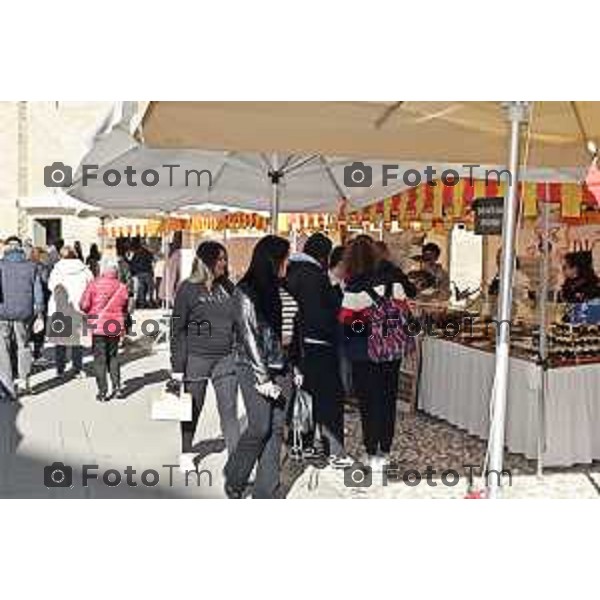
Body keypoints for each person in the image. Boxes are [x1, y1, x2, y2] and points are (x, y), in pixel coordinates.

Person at [224, 235, 299, 499]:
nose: (288, 263)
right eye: (285, 257)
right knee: (259, 427)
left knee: (277, 429)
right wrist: (262, 377)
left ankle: (266, 491)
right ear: (272, 259)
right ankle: (234, 475)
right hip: (254, 366)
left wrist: (296, 365)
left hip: (284, 365)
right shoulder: (245, 290)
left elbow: (295, 327)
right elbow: (248, 335)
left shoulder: (286, 286)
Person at [338, 235, 408, 471]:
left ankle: (371, 451)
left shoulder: (354, 289)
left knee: (368, 402)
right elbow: (403, 314)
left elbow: (348, 325)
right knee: (388, 399)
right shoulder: (394, 283)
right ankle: (385, 450)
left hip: (363, 354)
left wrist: (365, 326)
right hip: (391, 352)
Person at [170, 241, 240, 473]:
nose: (224, 263)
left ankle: (236, 464)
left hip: (226, 358)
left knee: (229, 410)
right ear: (207, 261)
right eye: (219, 259)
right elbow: (177, 329)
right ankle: (186, 451)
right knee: (193, 408)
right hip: (196, 358)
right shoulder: (187, 289)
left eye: (224, 258)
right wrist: (177, 367)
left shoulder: (227, 287)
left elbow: (238, 320)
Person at [286, 232, 350, 466]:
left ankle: (300, 444)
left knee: (304, 397)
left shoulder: (289, 272)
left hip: (296, 347)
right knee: (330, 400)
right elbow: (320, 316)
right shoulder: (315, 277)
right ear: (323, 256)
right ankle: (334, 450)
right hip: (318, 346)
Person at [0, 236, 45, 399]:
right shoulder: (31, 266)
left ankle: (7, 386)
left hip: (2, 313)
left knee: (2, 349)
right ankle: (24, 381)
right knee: (23, 345)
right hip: (24, 312)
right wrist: (39, 310)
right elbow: (38, 291)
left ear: (6, 248)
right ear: (20, 248)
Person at [79, 257, 129, 402]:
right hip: (114, 325)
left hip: (98, 326)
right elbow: (125, 307)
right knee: (113, 356)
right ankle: (117, 387)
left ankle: (102, 392)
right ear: (116, 271)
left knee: (99, 359)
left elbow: (83, 304)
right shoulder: (121, 286)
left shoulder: (93, 285)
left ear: (102, 270)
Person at [47, 246, 94, 378]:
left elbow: (51, 286)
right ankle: (77, 369)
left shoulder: (57, 269)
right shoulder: (85, 269)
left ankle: (60, 369)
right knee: (77, 340)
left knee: (60, 340)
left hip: (60, 306)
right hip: (79, 307)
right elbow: (91, 286)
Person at [29, 247, 51, 362]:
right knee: (39, 329)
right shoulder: (42, 267)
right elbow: (46, 283)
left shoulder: (27, 266)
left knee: (28, 329)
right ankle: (38, 353)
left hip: (27, 302)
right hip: (41, 300)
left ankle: (29, 354)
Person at [128, 241, 155, 308]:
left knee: (141, 289)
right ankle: (150, 302)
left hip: (140, 273)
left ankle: (142, 303)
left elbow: (133, 264)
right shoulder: (147, 253)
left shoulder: (136, 254)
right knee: (149, 289)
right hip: (147, 272)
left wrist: (133, 272)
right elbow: (152, 260)